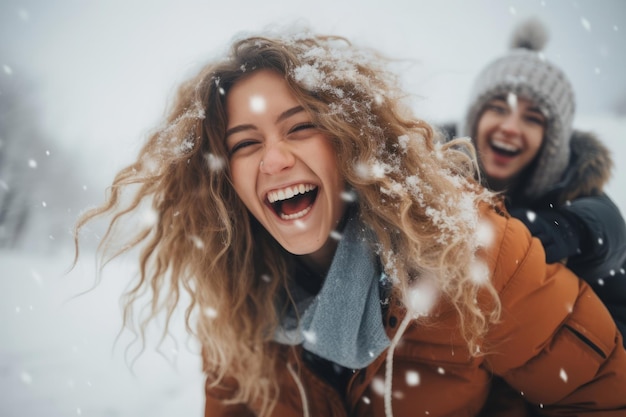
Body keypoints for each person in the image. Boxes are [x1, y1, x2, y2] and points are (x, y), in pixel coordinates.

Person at [73, 30, 626, 416]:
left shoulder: (473, 249)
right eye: (245, 144)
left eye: (299, 127)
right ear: (225, 179)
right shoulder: (233, 289)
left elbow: (602, 397)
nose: (273, 160)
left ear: (348, 139)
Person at [444, 18, 626, 341]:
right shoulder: (436, 168)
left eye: (532, 118)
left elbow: (608, 229)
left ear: (551, 140)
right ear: (475, 118)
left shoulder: (571, 188)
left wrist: (572, 229)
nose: (511, 128)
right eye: (499, 108)